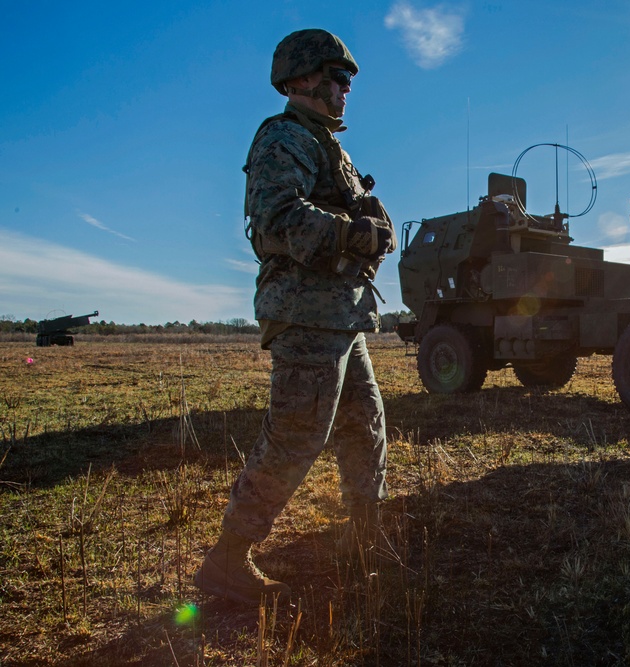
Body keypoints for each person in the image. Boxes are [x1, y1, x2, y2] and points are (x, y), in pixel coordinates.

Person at [194, 28, 397, 605]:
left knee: (365, 425)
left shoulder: (326, 144)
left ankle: (364, 542)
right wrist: (354, 232)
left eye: (348, 79)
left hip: (340, 316)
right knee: (294, 436)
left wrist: (369, 225)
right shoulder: (284, 138)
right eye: (338, 77)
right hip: (306, 315)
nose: (345, 88)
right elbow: (275, 217)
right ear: (304, 78)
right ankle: (228, 561)